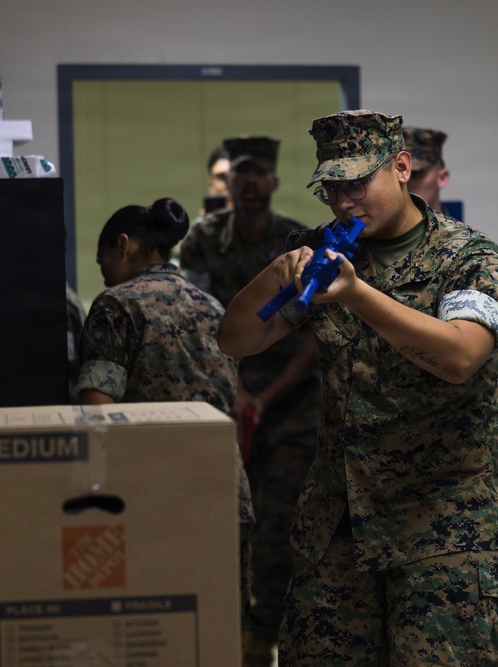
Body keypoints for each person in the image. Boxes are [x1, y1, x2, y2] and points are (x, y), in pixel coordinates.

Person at [216, 110, 498, 666]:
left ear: (401, 168)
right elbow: (235, 339)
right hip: (340, 524)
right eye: (331, 187)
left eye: (357, 183)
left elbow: (460, 357)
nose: (343, 201)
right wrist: (281, 273)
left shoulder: (468, 256)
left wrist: (356, 295)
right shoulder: (324, 251)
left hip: (442, 529)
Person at [74, 197, 256, 626]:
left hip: (151, 500)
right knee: (215, 634)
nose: (102, 269)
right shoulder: (213, 308)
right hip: (224, 494)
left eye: (102, 258)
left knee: (153, 638)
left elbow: (97, 412)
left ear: (122, 245)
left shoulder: (116, 306)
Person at [179, 136, 321, 667]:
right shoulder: (203, 241)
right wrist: (237, 391)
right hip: (226, 401)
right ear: (228, 182)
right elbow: (202, 321)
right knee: (228, 524)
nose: (251, 183)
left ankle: (269, 635)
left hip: (291, 407)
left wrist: (267, 395)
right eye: (242, 174)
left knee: (284, 525)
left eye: (260, 174)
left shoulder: (295, 244)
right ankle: (228, 634)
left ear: (274, 182)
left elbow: (313, 334)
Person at [403, 126, 449, 214]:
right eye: (394, 174)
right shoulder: (375, 227)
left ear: (442, 178)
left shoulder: (460, 228)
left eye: (415, 174)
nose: (403, 180)